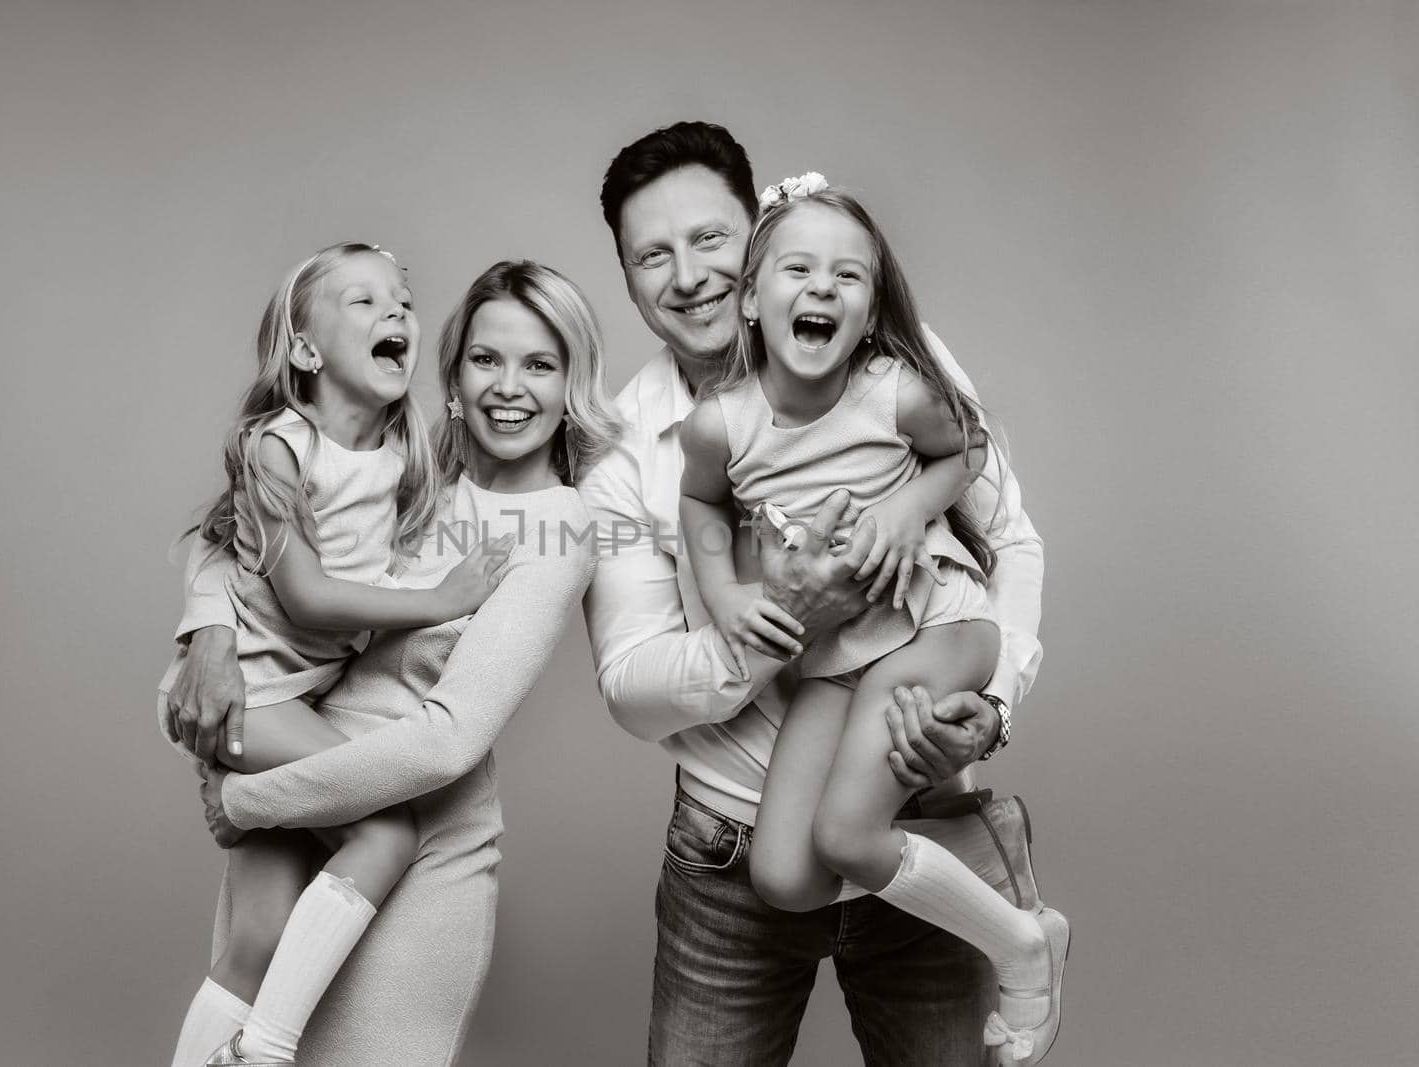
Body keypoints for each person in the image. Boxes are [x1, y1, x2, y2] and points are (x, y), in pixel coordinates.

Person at [581, 121, 1047, 1064]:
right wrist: (779, 625)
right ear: (628, 278)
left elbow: (1007, 536)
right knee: (791, 867)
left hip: (910, 802)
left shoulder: (889, 371)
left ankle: (1004, 901)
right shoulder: (630, 444)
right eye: (651, 256)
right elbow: (631, 684)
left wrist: (992, 709)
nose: (687, 276)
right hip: (730, 851)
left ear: (754, 240)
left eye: (709, 238)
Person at [164, 260, 621, 1065]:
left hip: (410, 855)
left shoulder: (557, 526)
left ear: (572, 384)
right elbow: (241, 533)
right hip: (307, 801)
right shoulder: (407, 475)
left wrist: (248, 800)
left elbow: (447, 741)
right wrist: (211, 632)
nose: (509, 387)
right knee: (235, 1017)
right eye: (487, 359)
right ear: (451, 374)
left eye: (540, 364)